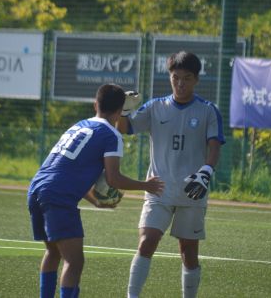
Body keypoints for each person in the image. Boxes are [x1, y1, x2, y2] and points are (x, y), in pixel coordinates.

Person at [27, 83, 165, 298]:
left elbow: (67, 171)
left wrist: (96, 201)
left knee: (53, 251)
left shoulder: (79, 125)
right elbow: (114, 178)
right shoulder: (111, 135)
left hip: (37, 187)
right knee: (74, 261)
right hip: (58, 196)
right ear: (120, 112)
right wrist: (146, 185)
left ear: (95, 105)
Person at [117, 51, 225, 298]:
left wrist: (207, 170)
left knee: (188, 252)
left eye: (187, 78)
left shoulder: (208, 111)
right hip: (159, 189)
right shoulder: (155, 107)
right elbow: (127, 129)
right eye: (176, 77)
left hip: (192, 191)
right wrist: (123, 112)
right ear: (169, 77)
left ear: (196, 80)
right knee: (147, 242)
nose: (180, 83)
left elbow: (214, 145)